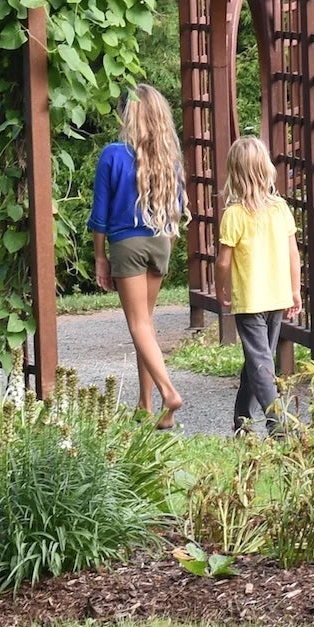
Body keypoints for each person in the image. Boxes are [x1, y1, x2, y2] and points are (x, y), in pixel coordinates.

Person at [90, 83, 185, 426]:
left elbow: (100, 215)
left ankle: (168, 393)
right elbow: (177, 208)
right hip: (160, 241)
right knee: (145, 326)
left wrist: (100, 257)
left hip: (126, 244)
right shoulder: (168, 158)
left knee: (138, 325)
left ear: (127, 115)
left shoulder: (113, 154)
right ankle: (147, 406)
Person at [216, 133, 300, 433]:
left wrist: (222, 288)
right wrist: (295, 289)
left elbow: (223, 261)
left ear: (234, 173)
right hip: (278, 294)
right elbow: (293, 253)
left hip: (250, 299)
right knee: (260, 359)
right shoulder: (280, 208)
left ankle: (273, 425)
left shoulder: (234, 215)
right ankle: (250, 420)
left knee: (259, 361)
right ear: (266, 170)